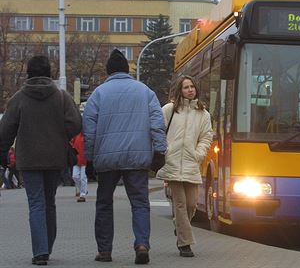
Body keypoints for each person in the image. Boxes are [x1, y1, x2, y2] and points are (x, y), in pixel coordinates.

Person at [83, 49, 167, 265]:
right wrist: (159, 152)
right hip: (137, 158)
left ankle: (104, 251)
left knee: (103, 204)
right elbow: (157, 124)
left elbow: (89, 131)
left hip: (106, 160)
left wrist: (90, 159)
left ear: (108, 71)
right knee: (139, 203)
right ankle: (141, 244)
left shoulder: (98, 94)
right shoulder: (145, 91)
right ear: (127, 70)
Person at [0, 55, 82, 266]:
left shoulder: (19, 98)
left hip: (28, 159)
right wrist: (59, 134)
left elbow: (6, 130)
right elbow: (75, 124)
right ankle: (47, 246)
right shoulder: (61, 97)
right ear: (49, 73)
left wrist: (3, 153)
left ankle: (40, 252)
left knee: (36, 203)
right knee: (49, 203)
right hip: (55, 157)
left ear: (29, 73)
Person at [156, 75, 213, 258]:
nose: (190, 90)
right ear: (180, 90)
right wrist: (166, 150)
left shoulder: (203, 114)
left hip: (191, 163)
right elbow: (158, 130)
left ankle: (180, 228)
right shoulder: (169, 109)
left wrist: (199, 154)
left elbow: (206, 137)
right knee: (179, 204)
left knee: (192, 204)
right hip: (172, 163)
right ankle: (185, 244)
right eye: (186, 87)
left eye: (192, 87)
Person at [71, 132, 88, 202]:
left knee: (82, 178)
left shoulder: (86, 136)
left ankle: (82, 195)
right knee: (74, 176)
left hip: (84, 160)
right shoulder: (76, 135)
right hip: (76, 159)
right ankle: (83, 190)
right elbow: (71, 143)